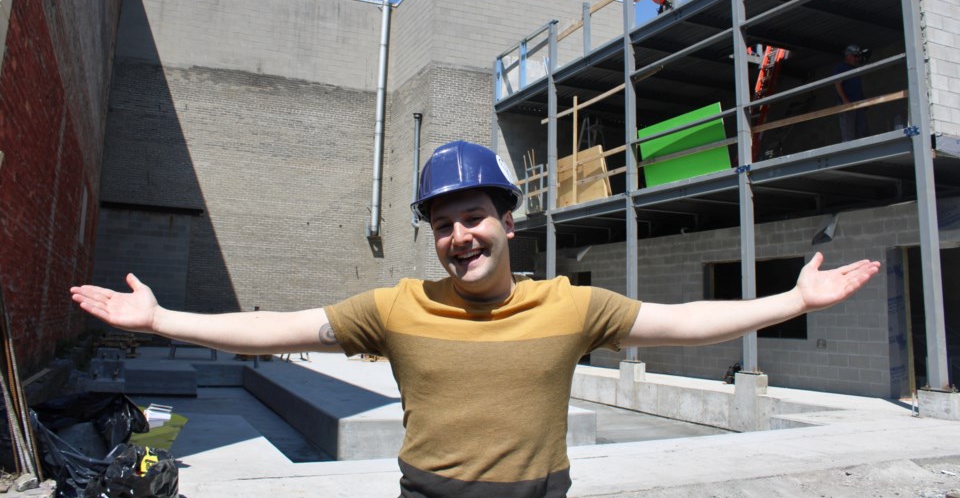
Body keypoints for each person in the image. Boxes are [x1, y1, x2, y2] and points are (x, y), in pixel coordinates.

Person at [71, 140, 880, 498]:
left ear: (507, 222)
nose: (460, 237)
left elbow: (684, 320)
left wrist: (793, 302)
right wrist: (160, 318)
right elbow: (278, 328)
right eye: (443, 224)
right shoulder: (397, 308)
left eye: (475, 217)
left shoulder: (571, 305)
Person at [834, 44, 868, 141]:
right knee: (849, 131)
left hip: (858, 103)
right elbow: (838, 84)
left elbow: (857, 87)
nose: (857, 59)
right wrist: (845, 100)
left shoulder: (854, 69)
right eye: (855, 56)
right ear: (848, 55)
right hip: (848, 103)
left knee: (862, 130)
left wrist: (863, 100)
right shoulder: (841, 67)